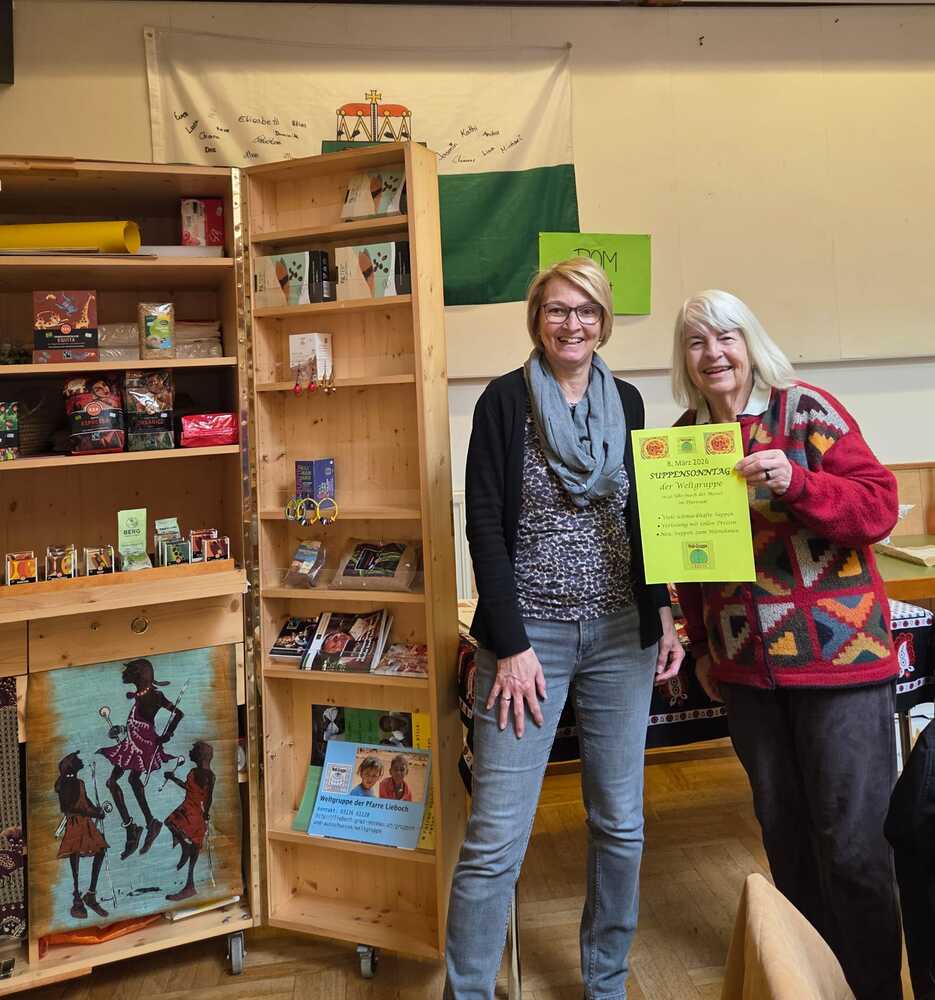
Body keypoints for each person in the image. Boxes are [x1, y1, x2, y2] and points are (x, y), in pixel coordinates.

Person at [445, 257, 684, 1000]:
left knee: (619, 824)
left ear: (603, 321)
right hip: (528, 643)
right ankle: (468, 991)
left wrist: (663, 611)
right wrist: (511, 645)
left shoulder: (629, 402)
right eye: (556, 309)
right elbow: (484, 527)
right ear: (536, 319)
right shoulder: (502, 401)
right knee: (495, 837)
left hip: (621, 636)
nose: (570, 324)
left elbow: (641, 519)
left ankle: (605, 984)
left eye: (584, 310)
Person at [671, 289, 902, 1000]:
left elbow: (878, 508)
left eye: (726, 337)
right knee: (785, 839)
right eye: (696, 342)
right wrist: (703, 647)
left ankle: (871, 989)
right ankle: (809, 985)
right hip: (747, 675)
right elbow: (690, 562)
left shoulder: (806, 411)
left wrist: (797, 482)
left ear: (750, 342)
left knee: (853, 845)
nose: (713, 354)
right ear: (683, 358)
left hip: (840, 667)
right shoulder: (686, 439)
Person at [97, 658, 183, 860]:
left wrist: (167, 735)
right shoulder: (141, 695)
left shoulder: (155, 696)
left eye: (130, 672)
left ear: (140, 675)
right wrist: (121, 729)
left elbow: (178, 714)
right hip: (133, 741)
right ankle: (140, 826)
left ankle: (139, 827)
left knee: (125, 780)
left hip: (143, 744)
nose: (124, 675)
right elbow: (136, 722)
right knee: (119, 782)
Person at [55, 752, 109, 920]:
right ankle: (77, 896)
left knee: (100, 850)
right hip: (75, 824)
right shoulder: (65, 785)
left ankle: (90, 894)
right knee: (75, 855)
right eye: (77, 759)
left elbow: (86, 800)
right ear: (70, 766)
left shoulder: (80, 783)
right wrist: (91, 812)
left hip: (86, 822)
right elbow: (68, 808)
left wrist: (97, 811)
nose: (80, 760)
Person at [164, 740, 215, 902]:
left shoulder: (200, 773)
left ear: (200, 755)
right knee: (194, 848)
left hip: (191, 811)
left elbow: (206, 796)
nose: (190, 752)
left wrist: (205, 813)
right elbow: (195, 791)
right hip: (194, 811)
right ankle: (189, 885)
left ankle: (184, 848)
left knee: (171, 823)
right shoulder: (206, 774)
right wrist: (173, 779)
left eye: (193, 750)